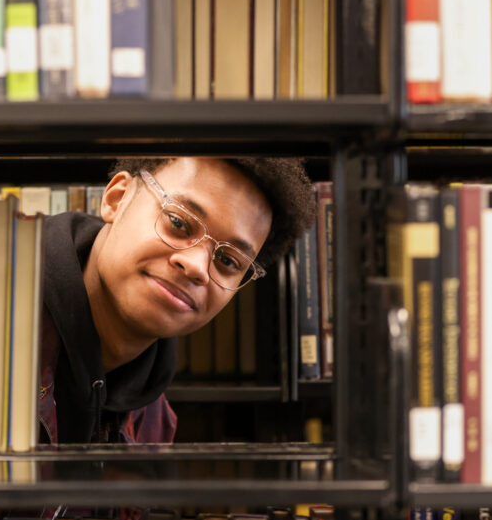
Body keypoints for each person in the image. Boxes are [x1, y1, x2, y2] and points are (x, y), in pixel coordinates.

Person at [38, 157, 315, 446]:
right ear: (117, 198)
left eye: (227, 260)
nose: (197, 266)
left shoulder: (154, 421)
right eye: (178, 222)